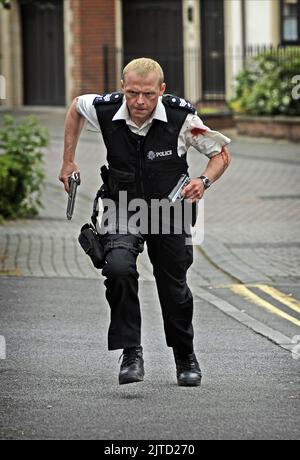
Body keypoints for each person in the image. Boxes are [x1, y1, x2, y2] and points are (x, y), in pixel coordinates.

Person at [59, 58, 231, 387]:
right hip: (122, 204)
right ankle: (131, 351)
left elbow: (220, 154)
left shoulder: (183, 119)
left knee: (174, 286)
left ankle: (185, 355)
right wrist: (68, 160)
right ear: (123, 88)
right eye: (133, 93)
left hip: (171, 208)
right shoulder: (105, 108)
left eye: (149, 94)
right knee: (119, 268)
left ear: (161, 91)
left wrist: (204, 182)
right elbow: (76, 107)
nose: (140, 102)